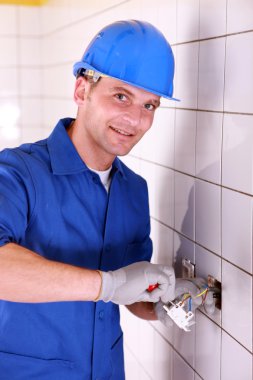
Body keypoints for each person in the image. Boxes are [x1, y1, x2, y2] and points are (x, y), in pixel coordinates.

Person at [0, 20, 177, 380]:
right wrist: (106, 284)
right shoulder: (17, 173)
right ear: (82, 90)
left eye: (150, 105)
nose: (135, 119)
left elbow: (130, 291)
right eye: (121, 96)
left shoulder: (133, 191)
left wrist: (163, 300)